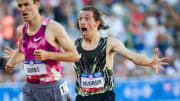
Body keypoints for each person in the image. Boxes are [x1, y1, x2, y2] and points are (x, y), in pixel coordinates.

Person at [5, 6, 168, 101]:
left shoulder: (109, 43)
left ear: (97, 23)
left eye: (87, 18)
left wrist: (149, 61)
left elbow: (133, 57)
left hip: (104, 97)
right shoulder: (74, 45)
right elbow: (51, 57)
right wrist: (24, 53)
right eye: (80, 18)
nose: (82, 21)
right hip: (82, 98)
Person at [4, 0, 79, 101]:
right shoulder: (21, 30)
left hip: (53, 88)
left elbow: (74, 55)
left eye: (26, 4)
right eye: (20, 5)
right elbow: (23, 53)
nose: (23, 9)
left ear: (37, 4)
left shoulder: (53, 27)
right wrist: (13, 61)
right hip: (30, 88)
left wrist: (48, 55)